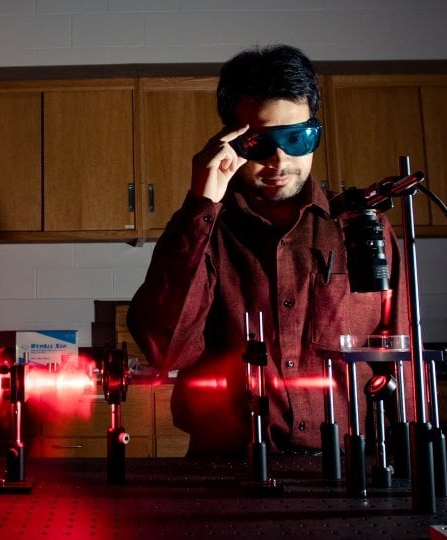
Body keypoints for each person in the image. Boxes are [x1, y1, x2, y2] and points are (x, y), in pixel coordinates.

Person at [127, 44, 411, 457]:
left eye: (297, 138)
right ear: (231, 141)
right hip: (226, 468)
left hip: (347, 466)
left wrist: (411, 463)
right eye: (260, 144)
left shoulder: (362, 228)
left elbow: (403, 356)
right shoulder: (205, 232)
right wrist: (200, 206)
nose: (280, 160)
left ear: (315, 131)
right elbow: (164, 349)